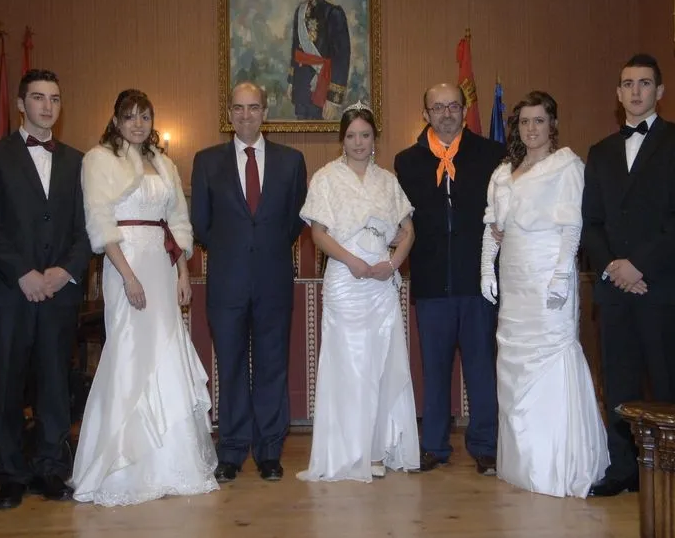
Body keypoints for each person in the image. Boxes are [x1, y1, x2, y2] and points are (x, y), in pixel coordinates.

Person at [70, 89, 219, 506]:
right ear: (116, 121)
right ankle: (121, 464)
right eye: (130, 116)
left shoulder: (165, 162)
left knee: (167, 352)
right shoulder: (98, 160)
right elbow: (99, 222)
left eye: (145, 116)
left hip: (162, 263)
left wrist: (183, 271)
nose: (138, 123)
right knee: (130, 353)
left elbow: (177, 221)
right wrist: (128, 275)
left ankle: (173, 461)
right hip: (126, 263)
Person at [581, 53, 675, 497]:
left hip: (661, 284)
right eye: (628, 83)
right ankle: (623, 470)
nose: (635, 91)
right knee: (619, 383)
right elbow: (590, 221)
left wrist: (639, 265)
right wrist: (615, 268)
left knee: (669, 382)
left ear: (660, 91)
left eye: (644, 83)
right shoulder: (599, 152)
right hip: (616, 288)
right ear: (618, 94)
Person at [0, 69, 93, 510]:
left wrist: (65, 271)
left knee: (56, 384)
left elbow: (87, 229)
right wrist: (23, 272)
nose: (47, 106)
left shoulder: (79, 162)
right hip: (10, 293)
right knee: (8, 384)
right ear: (21, 104)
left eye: (55, 99)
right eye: (38, 98)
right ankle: (11, 474)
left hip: (60, 292)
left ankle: (50, 469)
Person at [480, 91, 608, 498]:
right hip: (513, 280)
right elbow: (492, 227)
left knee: (549, 358)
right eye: (524, 122)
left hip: (547, 277)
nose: (531, 129)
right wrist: (486, 267)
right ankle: (522, 462)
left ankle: (558, 462)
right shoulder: (503, 172)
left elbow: (572, 226)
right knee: (513, 362)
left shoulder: (567, 167)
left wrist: (560, 276)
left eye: (539, 121)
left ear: (552, 124)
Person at [296, 102, 420, 483]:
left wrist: (393, 263)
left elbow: (408, 229)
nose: (359, 142)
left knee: (381, 364)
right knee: (349, 365)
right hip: (346, 280)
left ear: (374, 139)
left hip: (381, 284)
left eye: (365, 135)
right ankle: (350, 450)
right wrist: (352, 262)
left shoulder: (387, 180)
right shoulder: (326, 178)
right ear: (342, 140)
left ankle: (378, 447)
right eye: (351, 136)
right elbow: (317, 233)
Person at [191, 81, 308, 482]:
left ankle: (270, 451)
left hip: (273, 280)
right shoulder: (206, 161)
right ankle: (233, 449)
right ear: (229, 114)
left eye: (253, 107)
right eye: (238, 108)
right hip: (227, 283)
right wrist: (235, 251)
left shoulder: (292, 162)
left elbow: (295, 222)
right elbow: (201, 225)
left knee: (273, 367)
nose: (246, 115)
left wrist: (263, 248)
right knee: (233, 367)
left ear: (265, 112)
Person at [394, 83, 505, 475]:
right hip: (429, 283)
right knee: (434, 369)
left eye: (453, 106)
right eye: (437, 107)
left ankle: (486, 445)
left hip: (478, 284)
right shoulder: (406, 161)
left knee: (480, 368)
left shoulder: (491, 154)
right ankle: (434, 446)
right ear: (425, 113)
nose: (445, 113)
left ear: (464, 109)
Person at [287, 0, 351, 121]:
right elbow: (296, 49)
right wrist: (291, 82)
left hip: (322, 84)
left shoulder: (334, 11)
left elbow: (342, 57)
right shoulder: (299, 11)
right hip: (301, 85)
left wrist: (333, 98)